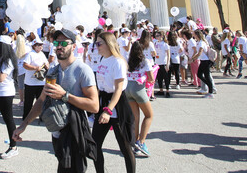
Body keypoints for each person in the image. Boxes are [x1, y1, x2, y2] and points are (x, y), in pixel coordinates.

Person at [13, 28, 98, 172]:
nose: (59, 46)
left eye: (64, 43)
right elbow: (41, 101)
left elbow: (94, 106)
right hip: (57, 132)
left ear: (73, 46)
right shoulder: (52, 71)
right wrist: (24, 124)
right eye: (57, 42)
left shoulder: (83, 70)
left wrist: (65, 95)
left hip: (75, 131)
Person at [91, 32, 135, 173]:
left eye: (99, 43)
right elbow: (100, 86)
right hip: (103, 103)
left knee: (125, 147)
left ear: (108, 44)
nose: (96, 46)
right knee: (95, 144)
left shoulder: (118, 62)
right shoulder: (103, 59)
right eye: (95, 43)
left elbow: (118, 90)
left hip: (117, 106)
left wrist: (108, 110)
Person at [125, 40, 154, 157]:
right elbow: (151, 77)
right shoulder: (145, 61)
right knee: (149, 115)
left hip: (128, 88)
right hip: (138, 88)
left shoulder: (128, 60)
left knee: (135, 117)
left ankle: (134, 142)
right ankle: (141, 142)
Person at [22, 37, 48, 120]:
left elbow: (46, 62)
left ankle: (42, 116)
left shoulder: (42, 54)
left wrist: (47, 65)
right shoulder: (30, 54)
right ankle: (26, 117)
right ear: (34, 46)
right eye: (38, 45)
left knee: (41, 100)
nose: (40, 47)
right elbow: (25, 65)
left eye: (41, 45)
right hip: (30, 82)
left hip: (41, 81)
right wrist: (35, 68)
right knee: (28, 101)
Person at [192, 29, 215, 98]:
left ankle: (210, 92)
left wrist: (193, 59)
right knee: (199, 74)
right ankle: (209, 86)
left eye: (194, 34)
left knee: (207, 76)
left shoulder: (202, 42)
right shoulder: (198, 42)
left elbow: (200, 52)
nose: (193, 35)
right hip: (202, 61)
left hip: (206, 61)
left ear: (197, 35)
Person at [154, 31, 170, 97]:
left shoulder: (165, 44)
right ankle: (161, 90)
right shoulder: (155, 43)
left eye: (158, 36)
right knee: (159, 78)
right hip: (157, 62)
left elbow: (168, 55)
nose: (156, 37)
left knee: (166, 77)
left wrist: (167, 64)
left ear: (161, 36)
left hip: (163, 62)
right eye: (156, 36)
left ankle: (167, 90)